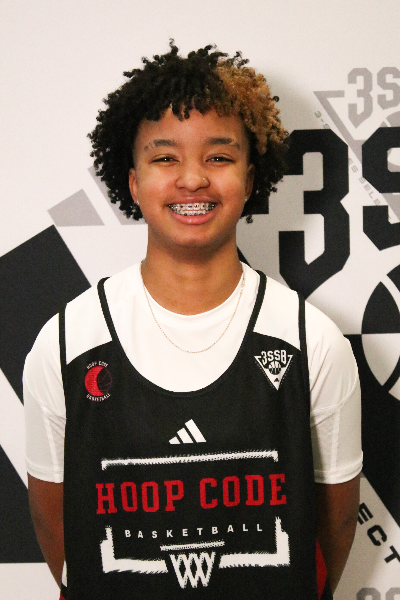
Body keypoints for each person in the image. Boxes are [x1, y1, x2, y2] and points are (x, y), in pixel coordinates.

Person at [24, 42, 362, 599]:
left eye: (219, 157)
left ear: (250, 179)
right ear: (133, 181)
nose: (192, 179)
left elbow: (334, 530)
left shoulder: (312, 341)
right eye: (164, 158)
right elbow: (60, 535)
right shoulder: (67, 341)